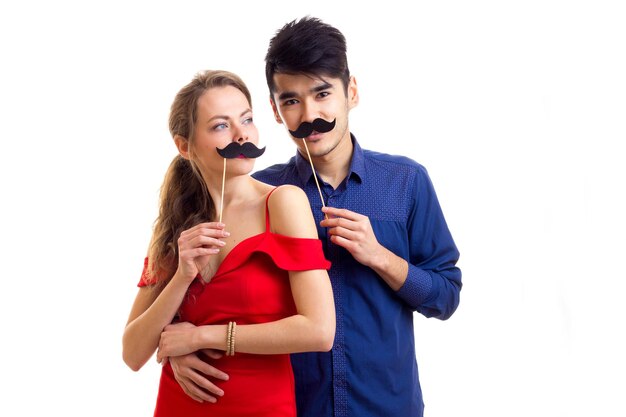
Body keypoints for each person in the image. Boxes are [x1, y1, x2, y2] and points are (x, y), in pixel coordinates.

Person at [170, 17, 462, 417]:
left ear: (351, 92)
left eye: (323, 93)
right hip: (294, 407)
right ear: (274, 110)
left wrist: (381, 256)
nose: (310, 114)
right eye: (291, 100)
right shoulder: (261, 195)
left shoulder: (407, 182)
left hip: (387, 406)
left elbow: (446, 297)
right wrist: (179, 351)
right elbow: (205, 299)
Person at [122, 69, 336, 417]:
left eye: (247, 119)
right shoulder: (175, 224)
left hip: (264, 407)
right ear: (184, 146)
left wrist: (200, 337)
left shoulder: (283, 203)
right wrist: (182, 275)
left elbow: (319, 330)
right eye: (221, 125)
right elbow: (133, 353)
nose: (242, 134)